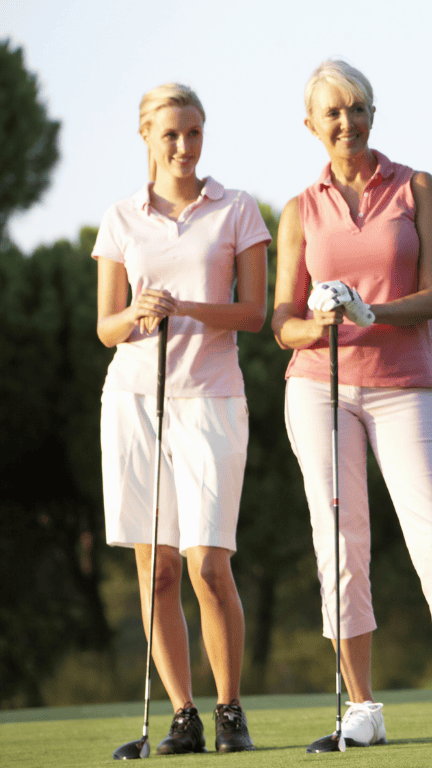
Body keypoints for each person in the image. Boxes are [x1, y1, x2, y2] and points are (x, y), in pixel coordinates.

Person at [272, 59, 432, 751]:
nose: (346, 122)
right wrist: (319, 320)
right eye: (332, 112)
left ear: (373, 115)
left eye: (357, 108)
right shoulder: (299, 209)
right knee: (340, 545)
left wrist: (369, 309)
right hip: (318, 387)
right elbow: (281, 322)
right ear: (311, 125)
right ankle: (361, 709)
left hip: (404, 384)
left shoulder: (416, 188)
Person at [94, 83, 269, 754]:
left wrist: (188, 308)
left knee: (208, 564)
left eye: (194, 132)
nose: (184, 146)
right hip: (135, 400)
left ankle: (230, 710)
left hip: (212, 400)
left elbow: (252, 314)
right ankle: (183, 716)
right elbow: (106, 328)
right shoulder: (120, 218)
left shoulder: (237, 209)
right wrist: (137, 314)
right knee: (158, 569)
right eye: (171, 134)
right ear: (146, 136)